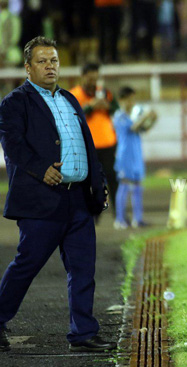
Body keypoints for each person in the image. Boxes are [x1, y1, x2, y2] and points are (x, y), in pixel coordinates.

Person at [0, 36, 115, 353]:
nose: (50, 66)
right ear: (27, 67)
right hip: (41, 201)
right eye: (42, 61)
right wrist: (40, 168)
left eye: (54, 61)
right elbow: (13, 146)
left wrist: (98, 182)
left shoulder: (70, 99)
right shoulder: (14, 103)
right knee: (26, 267)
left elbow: (87, 145)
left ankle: (83, 334)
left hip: (78, 200)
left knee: (83, 270)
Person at [70, 63, 119, 217]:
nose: (93, 82)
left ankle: (119, 213)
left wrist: (108, 106)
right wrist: (90, 107)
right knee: (90, 182)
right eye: (90, 78)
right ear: (83, 77)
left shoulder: (104, 92)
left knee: (112, 178)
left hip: (107, 142)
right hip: (86, 144)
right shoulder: (74, 94)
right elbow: (72, 116)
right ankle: (93, 214)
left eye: (95, 78)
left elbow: (117, 109)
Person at [113, 86, 157, 229]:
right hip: (125, 156)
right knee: (124, 185)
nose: (132, 103)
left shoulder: (132, 117)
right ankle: (119, 219)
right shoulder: (119, 116)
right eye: (129, 100)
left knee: (138, 187)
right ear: (121, 100)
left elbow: (143, 128)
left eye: (133, 99)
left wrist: (152, 119)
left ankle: (137, 219)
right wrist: (145, 117)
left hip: (136, 156)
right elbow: (133, 128)